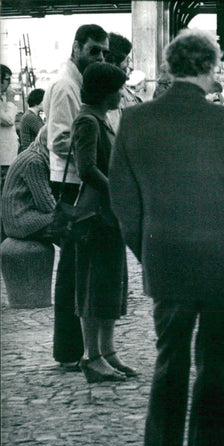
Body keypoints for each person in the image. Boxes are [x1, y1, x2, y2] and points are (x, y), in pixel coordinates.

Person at [109, 29, 224, 446]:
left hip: (169, 265)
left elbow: (123, 201)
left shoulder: (135, 120)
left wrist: (151, 251)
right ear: (211, 67)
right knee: (217, 371)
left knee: (169, 366)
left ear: (169, 67)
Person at [43, 23, 109, 372]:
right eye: (94, 50)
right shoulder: (66, 86)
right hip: (70, 183)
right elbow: (57, 139)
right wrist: (94, 144)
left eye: (103, 52)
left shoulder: (76, 83)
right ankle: (68, 349)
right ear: (77, 46)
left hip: (73, 181)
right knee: (72, 269)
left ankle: (71, 348)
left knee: (77, 267)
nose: (98, 57)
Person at [72, 62, 133, 383]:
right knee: (95, 285)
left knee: (110, 283)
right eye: (118, 89)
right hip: (95, 214)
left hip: (106, 214)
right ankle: (92, 357)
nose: (121, 94)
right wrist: (118, 190)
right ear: (103, 91)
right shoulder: (88, 121)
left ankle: (107, 352)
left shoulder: (100, 119)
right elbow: (86, 169)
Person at [0, 128, 58, 244]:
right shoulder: (35, 162)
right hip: (22, 221)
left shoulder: (32, 154)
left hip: (16, 219)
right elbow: (46, 204)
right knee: (70, 231)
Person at [105, 33, 142, 133]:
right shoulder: (109, 94)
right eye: (127, 60)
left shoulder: (123, 89)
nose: (131, 66)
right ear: (114, 62)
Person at [0, 64, 19, 186]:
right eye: (7, 79)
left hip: (6, 153)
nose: (9, 83)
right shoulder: (7, 99)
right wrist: (11, 100)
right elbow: (9, 120)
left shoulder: (3, 99)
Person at [18, 88, 45, 153]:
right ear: (37, 102)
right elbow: (45, 135)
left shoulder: (34, 115)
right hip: (30, 153)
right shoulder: (30, 117)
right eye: (45, 100)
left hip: (31, 152)